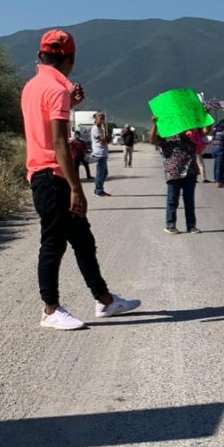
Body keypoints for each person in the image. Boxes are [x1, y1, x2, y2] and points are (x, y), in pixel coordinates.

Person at [19, 30, 140, 330]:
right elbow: (59, 143)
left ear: (40, 56)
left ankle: (105, 300)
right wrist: (77, 188)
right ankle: (50, 309)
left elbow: (44, 129)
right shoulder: (57, 90)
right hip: (52, 176)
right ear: (70, 59)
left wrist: (69, 105)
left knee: (83, 241)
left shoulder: (32, 87)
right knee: (53, 243)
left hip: (40, 172)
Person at [150, 116, 201, 235]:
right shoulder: (168, 136)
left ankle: (191, 225)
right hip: (174, 171)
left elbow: (205, 132)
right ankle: (171, 225)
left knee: (189, 200)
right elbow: (152, 140)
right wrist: (155, 124)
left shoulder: (191, 135)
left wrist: (205, 116)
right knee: (173, 199)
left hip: (191, 170)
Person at [90, 111, 110, 196]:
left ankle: (100, 188)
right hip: (99, 153)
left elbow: (107, 140)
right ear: (96, 119)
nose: (102, 120)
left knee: (105, 173)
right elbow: (103, 140)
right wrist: (106, 138)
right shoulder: (95, 128)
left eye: (103, 118)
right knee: (100, 173)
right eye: (101, 118)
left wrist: (105, 132)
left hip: (103, 153)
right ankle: (98, 190)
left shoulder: (101, 128)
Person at [210, 119, 224, 187]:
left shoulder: (214, 131)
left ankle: (219, 180)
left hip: (214, 149)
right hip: (221, 149)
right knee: (220, 166)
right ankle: (219, 182)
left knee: (217, 165)